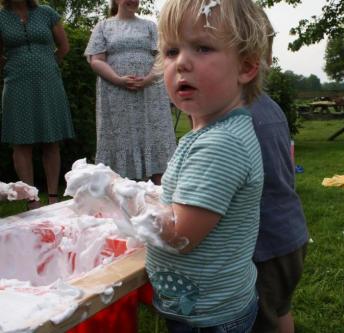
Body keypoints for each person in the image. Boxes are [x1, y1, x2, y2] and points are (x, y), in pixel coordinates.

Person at [145, 0, 269, 331]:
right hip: (207, 305)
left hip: (208, 317)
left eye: (202, 47)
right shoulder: (214, 132)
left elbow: (179, 235)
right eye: (171, 51)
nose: (181, 63)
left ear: (246, 66)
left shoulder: (220, 145)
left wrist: (122, 199)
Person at [249, 11, 309, 333]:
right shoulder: (270, 106)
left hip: (265, 247)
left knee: (263, 318)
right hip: (292, 235)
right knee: (279, 308)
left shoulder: (233, 118)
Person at [85, 0, 176, 185]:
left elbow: (163, 56)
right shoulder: (103, 26)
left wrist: (149, 78)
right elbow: (96, 60)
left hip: (150, 93)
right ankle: (122, 195)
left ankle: (161, 195)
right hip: (116, 94)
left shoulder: (150, 26)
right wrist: (119, 80)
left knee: (154, 136)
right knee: (120, 139)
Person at [0, 0, 74, 209]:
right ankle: (31, 199)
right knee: (20, 142)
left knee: (51, 140)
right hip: (16, 84)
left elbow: (64, 47)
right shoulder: (1, 18)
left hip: (48, 82)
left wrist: (47, 65)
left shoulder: (46, 12)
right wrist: (16, 67)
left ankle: (52, 198)